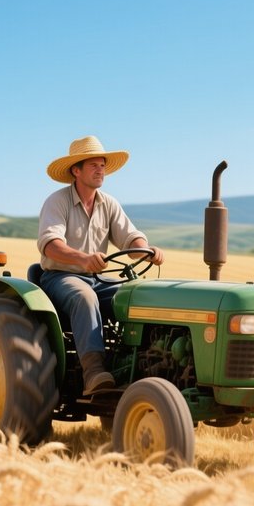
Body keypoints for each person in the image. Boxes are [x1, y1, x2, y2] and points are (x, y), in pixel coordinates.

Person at [37, 136, 165, 394]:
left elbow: (130, 237)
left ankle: (138, 366)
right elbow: (50, 245)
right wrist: (83, 259)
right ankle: (94, 371)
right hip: (61, 278)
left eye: (103, 166)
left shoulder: (109, 204)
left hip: (98, 280)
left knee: (136, 296)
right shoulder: (57, 201)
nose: (100, 170)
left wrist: (148, 250)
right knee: (85, 297)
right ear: (76, 170)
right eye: (94, 165)